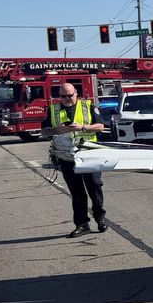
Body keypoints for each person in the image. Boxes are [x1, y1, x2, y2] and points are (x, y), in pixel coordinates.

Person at [43, 83, 107, 237]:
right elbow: (44, 131)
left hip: (88, 154)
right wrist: (59, 130)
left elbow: (100, 126)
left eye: (70, 95)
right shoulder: (53, 110)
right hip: (67, 157)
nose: (67, 99)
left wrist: (83, 127)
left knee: (94, 187)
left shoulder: (88, 106)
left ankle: (100, 216)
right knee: (77, 193)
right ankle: (82, 224)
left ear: (76, 93)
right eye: (63, 96)